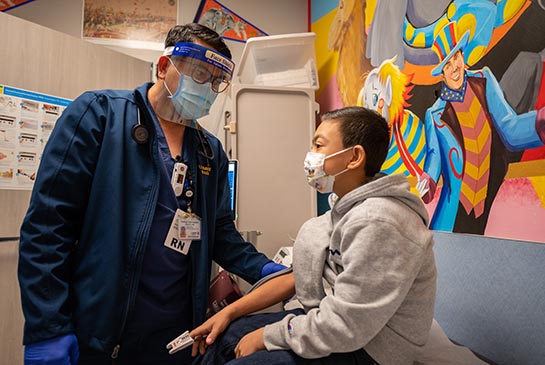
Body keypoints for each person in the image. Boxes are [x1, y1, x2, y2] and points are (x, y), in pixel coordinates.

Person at [18, 23, 284, 365]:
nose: (207, 89)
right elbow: (47, 227)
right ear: (163, 67)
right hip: (100, 327)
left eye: (216, 82)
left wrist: (264, 269)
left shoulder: (208, 151)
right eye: (199, 73)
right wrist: (48, 325)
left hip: (176, 336)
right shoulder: (99, 116)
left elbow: (220, 233)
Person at [190, 106, 437, 365]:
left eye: (319, 146)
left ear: (354, 157)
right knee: (223, 339)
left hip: (371, 350)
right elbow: (296, 278)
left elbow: (346, 325)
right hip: (335, 324)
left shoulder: (380, 222)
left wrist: (267, 336)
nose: (311, 156)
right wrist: (228, 313)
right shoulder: (344, 210)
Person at [419, 21, 545, 234]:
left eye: (455, 58)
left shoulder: (484, 80)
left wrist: (539, 122)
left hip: (489, 197)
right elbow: (434, 157)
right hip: (456, 210)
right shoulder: (434, 115)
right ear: (441, 74)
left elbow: (509, 128)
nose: (454, 69)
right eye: (447, 66)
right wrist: (428, 181)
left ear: (462, 56)